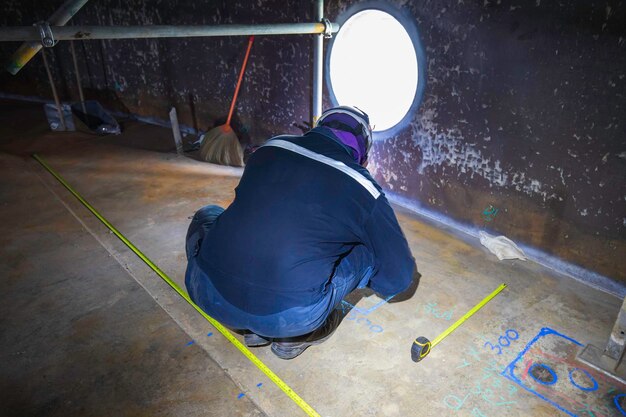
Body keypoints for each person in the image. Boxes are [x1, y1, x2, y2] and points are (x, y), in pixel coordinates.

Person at [185, 105, 418, 359]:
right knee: (367, 252)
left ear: (319, 129)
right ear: (362, 156)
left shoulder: (270, 148)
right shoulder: (363, 186)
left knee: (207, 213)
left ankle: (252, 324)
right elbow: (397, 279)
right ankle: (296, 336)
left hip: (206, 292)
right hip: (290, 318)